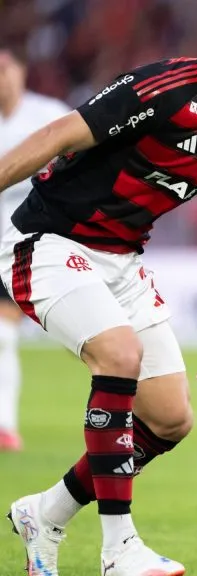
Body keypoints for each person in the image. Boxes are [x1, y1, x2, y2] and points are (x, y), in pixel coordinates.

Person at [2, 1, 197, 574]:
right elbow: (57, 135)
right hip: (49, 241)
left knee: (170, 418)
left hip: (121, 261)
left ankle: (44, 513)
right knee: (120, 355)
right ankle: (119, 549)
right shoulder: (164, 89)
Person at [0, 48, 71, 452]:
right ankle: (6, 426)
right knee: (3, 335)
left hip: (36, 237)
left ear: (22, 72)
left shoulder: (47, 115)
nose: (2, 78)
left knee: (6, 333)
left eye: (5, 69)